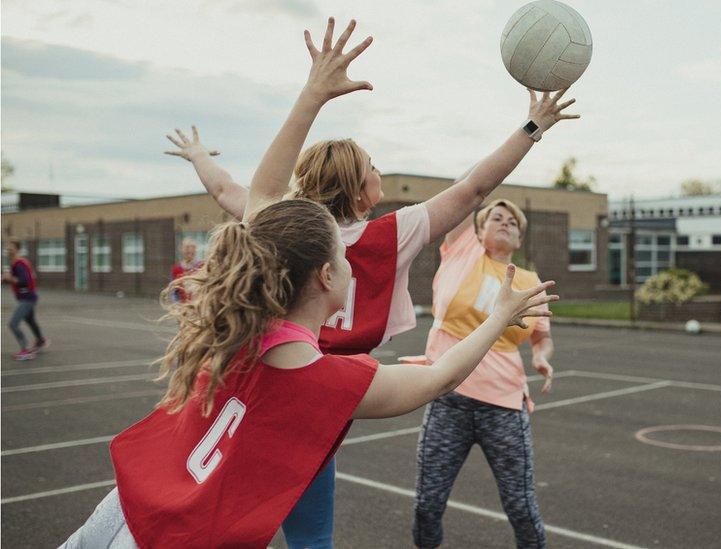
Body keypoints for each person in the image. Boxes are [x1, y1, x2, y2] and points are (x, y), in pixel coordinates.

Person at [163, 17, 579, 548]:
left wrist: (202, 156)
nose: (381, 173)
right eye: (374, 167)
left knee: (216, 514)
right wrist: (532, 128)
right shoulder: (389, 234)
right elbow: (475, 187)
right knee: (303, 537)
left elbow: (232, 192)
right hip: (320, 394)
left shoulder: (283, 228)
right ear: (360, 192)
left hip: (262, 380)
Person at [60, 202, 555, 547]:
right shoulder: (325, 380)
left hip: (123, 508)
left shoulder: (236, 331)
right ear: (324, 276)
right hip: (181, 538)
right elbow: (441, 380)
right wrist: (498, 317)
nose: (350, 266)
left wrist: (314, 94)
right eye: (342, 258)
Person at [411, 199, 555, 548]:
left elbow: (542, 338)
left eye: (513, 223)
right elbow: (468, 196)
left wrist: (542, 357)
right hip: (448, 399)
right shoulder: (463, 254)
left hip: (503, 406)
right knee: (427, 505)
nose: (505, 223)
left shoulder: (530, 282)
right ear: (477, 229)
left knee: (521, 507)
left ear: (519, 240)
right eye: (496, 218)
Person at [3, 239, 47, 361]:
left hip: (27, 299)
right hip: (26, 297)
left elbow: (24, 281)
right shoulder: (16, 262)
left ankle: (25, 350)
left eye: (9, 247)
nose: (7, 249)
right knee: (30, 321)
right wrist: (5, 278)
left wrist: (9, 278)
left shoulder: (19, 263)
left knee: (13, 324)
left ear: (16, 248)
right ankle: (40, 341)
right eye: (6, 247)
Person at [170, 237, 203, 302]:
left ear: (195, 250)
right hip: (182, 307)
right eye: (187, 247)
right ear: (181, 250)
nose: (190, 250)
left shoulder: (202, 267)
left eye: (192, 247)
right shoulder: (176, 269)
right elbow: (174, 292)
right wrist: (176, 306)